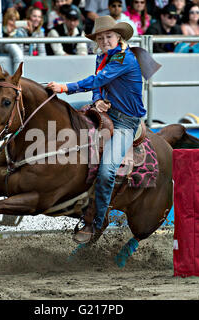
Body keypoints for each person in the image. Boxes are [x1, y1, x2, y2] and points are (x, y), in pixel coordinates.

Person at [46, 16, 144, 244]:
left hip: (125, 121)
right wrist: (98, 100)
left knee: (107, 171)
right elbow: (99, 85)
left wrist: (65, 87)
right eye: (100, 38)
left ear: (118, 37)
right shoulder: (102, 56)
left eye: (108, 36)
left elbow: (99, 78)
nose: (104, 41)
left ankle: (97, 222)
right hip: (106, 113)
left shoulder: (123, 58)